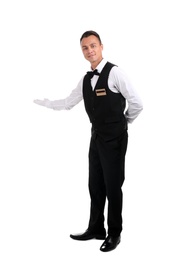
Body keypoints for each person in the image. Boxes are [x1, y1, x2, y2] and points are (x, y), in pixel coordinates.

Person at [34, 30, 143, 252]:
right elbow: (67, 102)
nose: (89, 50)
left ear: (101, 46)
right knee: (95, 184)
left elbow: (137, 103)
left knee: (113, 187)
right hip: (96, 137)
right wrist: (44, 103)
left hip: (115, 138)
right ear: (82, 51)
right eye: (85, 47)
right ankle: (96, 228)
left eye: (93, 45)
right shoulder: (86, 79)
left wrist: (124, 123)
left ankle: (114, 233)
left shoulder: (116, 73)